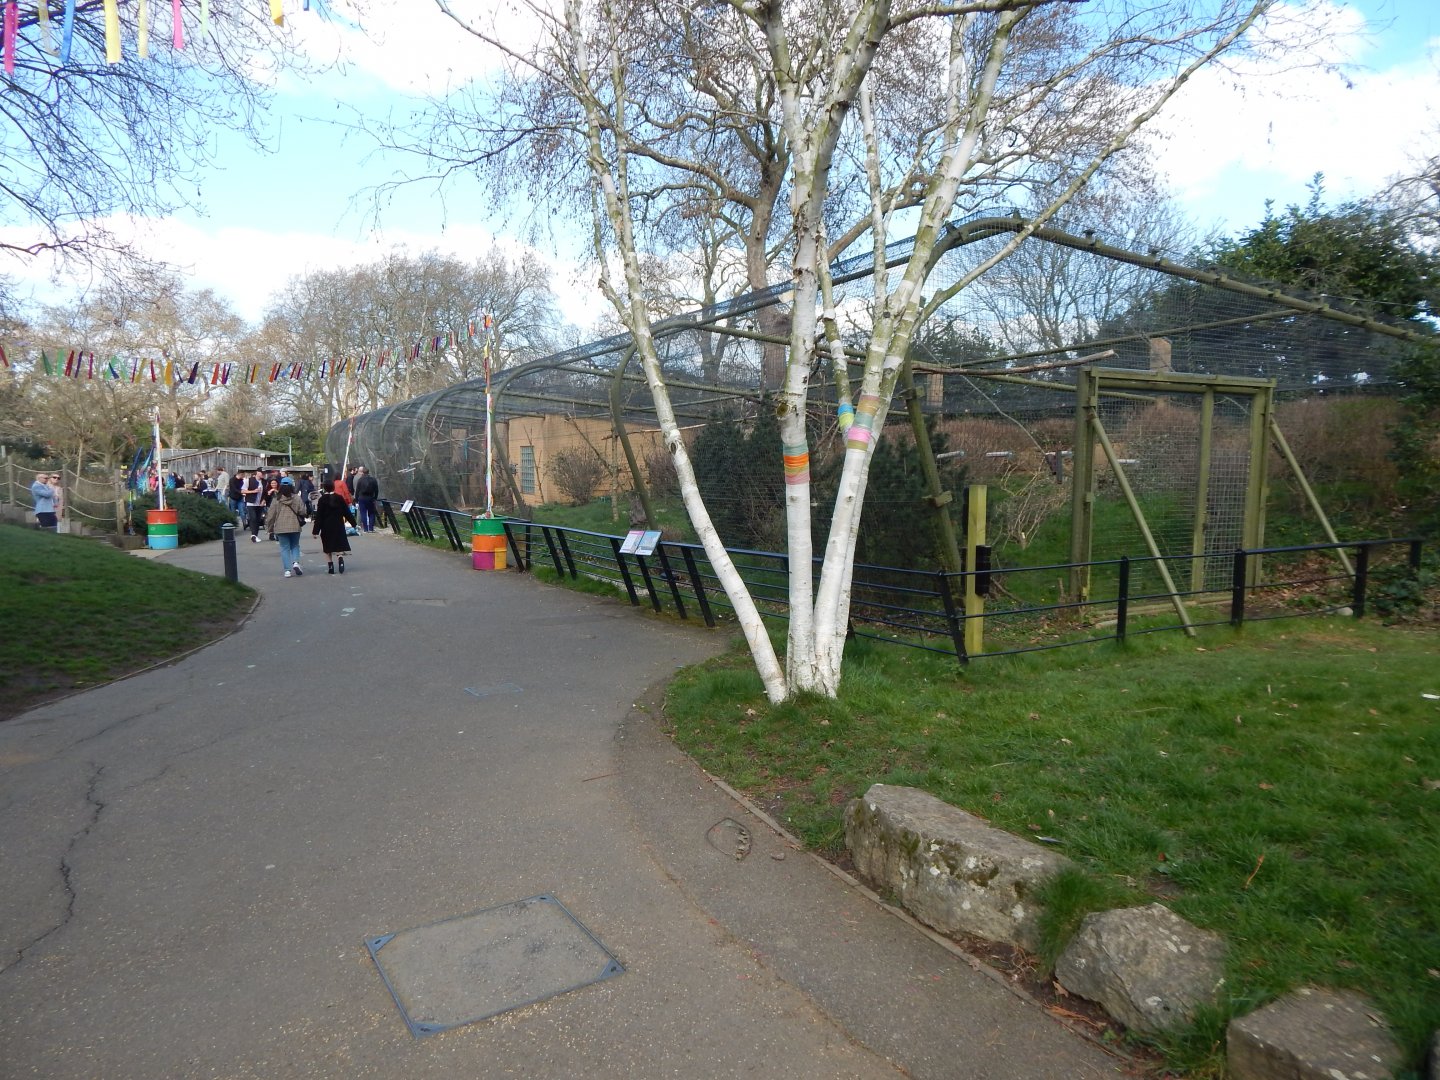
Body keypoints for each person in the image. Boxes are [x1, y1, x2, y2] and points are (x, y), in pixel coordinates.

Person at [311, 478, 355, 575]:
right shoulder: (339, 498)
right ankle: (340, 558)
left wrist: (315, 531)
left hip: (326, 526)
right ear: (333, 487)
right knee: (338, 544)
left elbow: (319, 516)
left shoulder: (322, 500)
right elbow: (346, 512)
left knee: (327, 547)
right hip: (338, 525)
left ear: (324, 488)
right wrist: (354, 524)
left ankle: (330, 566)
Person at [265, 477, 308, 578]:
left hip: (280, 527)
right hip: (295, 526)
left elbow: (271, 515)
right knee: (295, 545)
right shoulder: (297, 498)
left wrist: (269, 528)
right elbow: (303, 511)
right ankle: (296, 563)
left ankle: (287, 571)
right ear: (291, 486)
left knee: (284, 548)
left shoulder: (277, 499)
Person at [352, 465, 379, 533]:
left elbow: (357, 490)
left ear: (363, 472)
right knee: (371, 513)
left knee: (363, 513)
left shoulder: (360, 480)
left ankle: (365, 529)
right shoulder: (373, 479)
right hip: (370, 497)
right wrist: (375, 498)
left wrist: (356, 499)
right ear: (368, 472)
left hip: (362, 497)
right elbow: (376, 490)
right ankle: (371, 528)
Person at [242, 468, 266, 541]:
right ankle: (253, 535)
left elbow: (265, 492)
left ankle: (255, 535)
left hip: (260, 503)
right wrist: (253, 491)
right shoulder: (248, 480)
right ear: (257, 473)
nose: (263, 474)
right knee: (253, 518)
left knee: (258, 519)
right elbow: (243, 490)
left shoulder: (264, 482)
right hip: (251, 502)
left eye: (264, 473)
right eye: (262, 473)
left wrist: (264, 500)